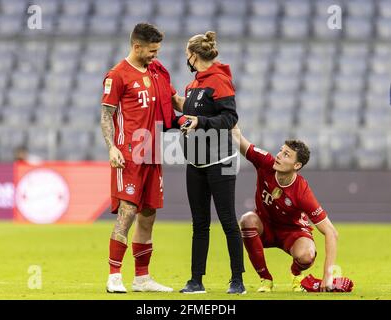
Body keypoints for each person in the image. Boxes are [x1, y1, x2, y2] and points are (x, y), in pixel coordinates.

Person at [100, 23, 184, 293]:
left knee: (148, 215)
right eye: (152, 51)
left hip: (153, 152)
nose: (155, 56)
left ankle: (142, 278)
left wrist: (205, 107)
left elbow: (175, 101)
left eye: (157, 51)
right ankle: (114, 276)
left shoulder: (157, 72)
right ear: (137, 47)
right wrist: (111, 147)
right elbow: (106, 116)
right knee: (127, 213)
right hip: (129, 155)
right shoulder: (117, 75)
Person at [177, 31, 246, 294]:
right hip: (195, 162)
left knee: (228, 220)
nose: (187, 59)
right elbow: (192, 118)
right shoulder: (192, 86)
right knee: (200, 223)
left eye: (187, 55)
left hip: (221, 160)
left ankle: (237, 280)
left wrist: (200, 122)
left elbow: (230, 118)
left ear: (194, 56)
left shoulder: (219, 81)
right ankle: (196, 281)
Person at [232, 124, 339, 292]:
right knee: (247, 220)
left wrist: (328, 275)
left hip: (292, 232)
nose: (279, 156)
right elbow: (238, 138)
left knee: (307, 255)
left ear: (296, 165)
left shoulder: (302, 192)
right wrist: (228, 114)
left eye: (286, 155)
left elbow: (331, 232)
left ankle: (296, 274)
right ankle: (265, 279)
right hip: (265, 226)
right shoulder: (265, 162)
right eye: (281, 151)